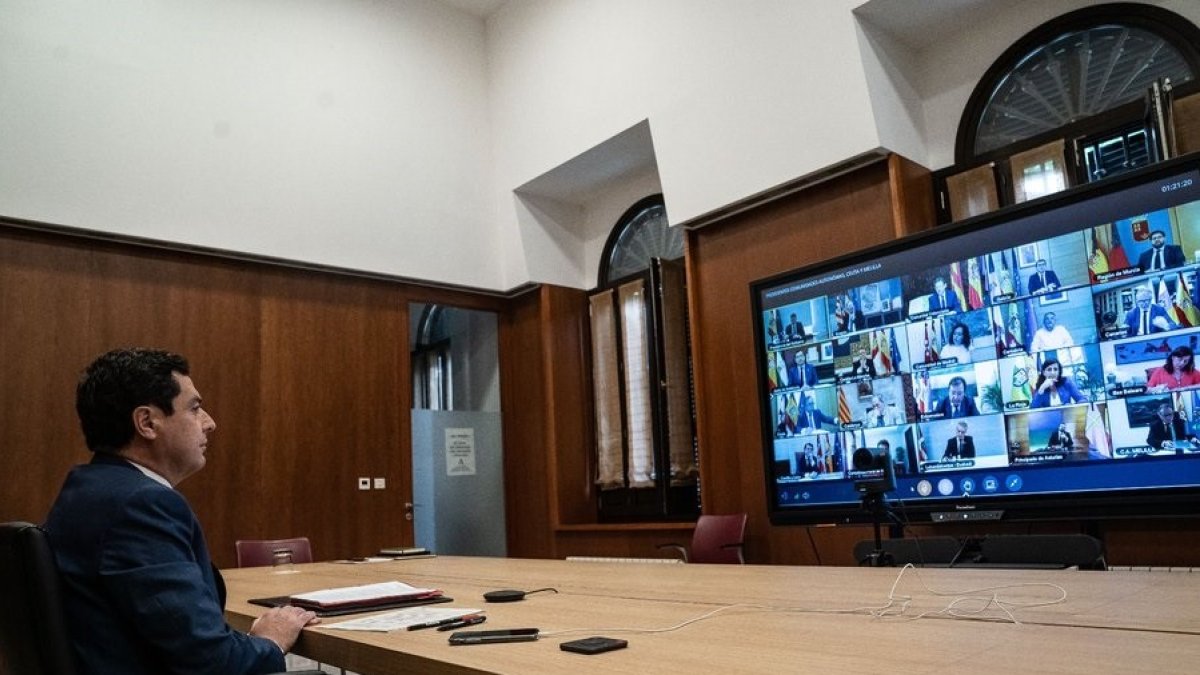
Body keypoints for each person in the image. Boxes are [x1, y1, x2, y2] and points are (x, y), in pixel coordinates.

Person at [43, 348, 317, 674]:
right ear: (147, 422)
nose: (210, 423)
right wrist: (270, 641)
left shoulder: (86, 490)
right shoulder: (140, 505)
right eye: (195, 408)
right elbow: (212, 662)